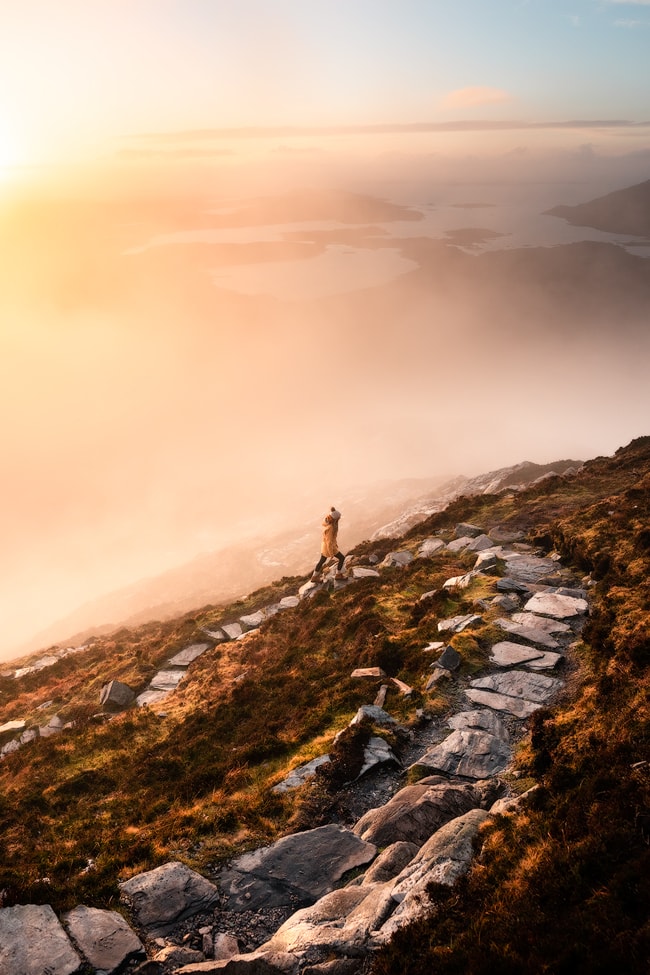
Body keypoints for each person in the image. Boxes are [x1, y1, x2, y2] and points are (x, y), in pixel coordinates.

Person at [311, 507, 346, 582]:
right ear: (335, 519)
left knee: (322, 560)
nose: (339, 519)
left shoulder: (329, 522)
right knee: (342, 558)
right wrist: (331, 554)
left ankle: (314, 577)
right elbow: (329, 541)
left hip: (325, 546)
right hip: (329, 547)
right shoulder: (331, 527)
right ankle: (338, 575)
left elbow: (331, 540)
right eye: (338, 518)